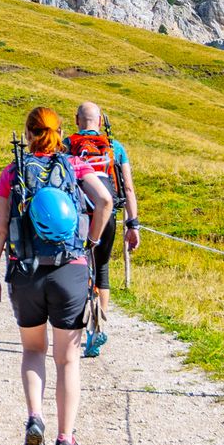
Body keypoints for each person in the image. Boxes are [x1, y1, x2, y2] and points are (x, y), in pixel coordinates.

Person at [0, 105, 112, 445]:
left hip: (25, 271)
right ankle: (66, 439)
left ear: (27, 134)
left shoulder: (12, 173)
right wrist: (91, 243)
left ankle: (35, 418)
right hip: (69, 271)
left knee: (33, 351)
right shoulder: (74, 166)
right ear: (59, 132)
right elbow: (104, 200)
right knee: (68, 359)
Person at [67, 102, 142, 359]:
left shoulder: (67, 144)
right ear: (100, 121)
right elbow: (128, 188)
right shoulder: (115, 148)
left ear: (77, 119)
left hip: (77, 216)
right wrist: (133, 224)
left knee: (75, 268)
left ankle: (73, 329)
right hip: (107, 213)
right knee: (102, 269)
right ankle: (96, 331)